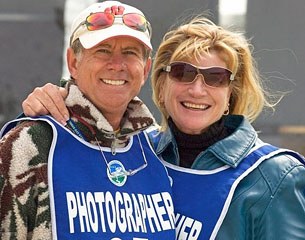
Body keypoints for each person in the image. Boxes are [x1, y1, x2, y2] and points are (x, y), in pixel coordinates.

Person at [20, 16, 305, 239]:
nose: (196, 90)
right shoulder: (138, 152)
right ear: (160, 83)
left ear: (231, 91)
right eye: (183, 73)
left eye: (215, 77)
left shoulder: (275, 177)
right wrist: (58, 99)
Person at [0, 1, 176, 239]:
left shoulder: (159, 148)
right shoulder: (30, 145)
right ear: (73, 62)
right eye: (102, 50)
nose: (117, 64)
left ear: (145, 70)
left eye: (130, 53)